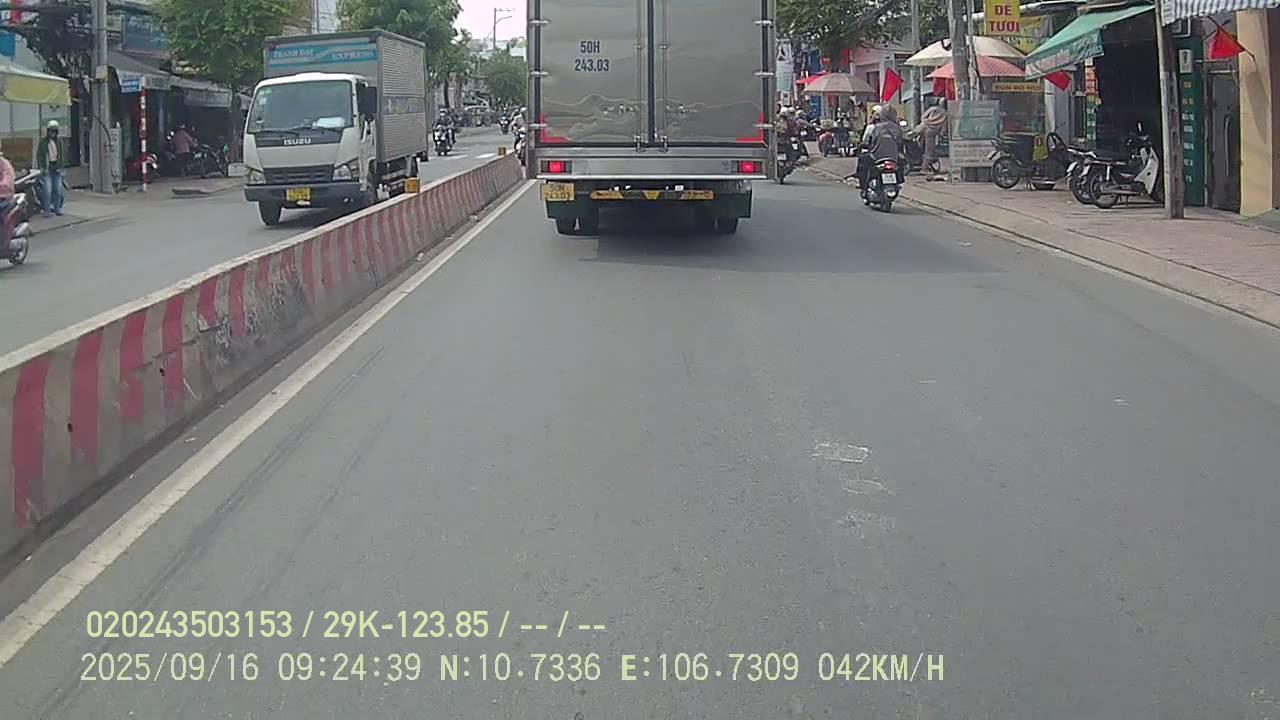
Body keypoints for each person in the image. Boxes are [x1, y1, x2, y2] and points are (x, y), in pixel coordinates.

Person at [854, 105, 903, 190]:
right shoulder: (898, 129)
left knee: (862, 160)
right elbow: (901, 142)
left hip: (876, 156)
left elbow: (870, 141)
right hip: (894, 157)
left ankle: (863, 185)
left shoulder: (877, 128)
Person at [36, 120, 66, 217]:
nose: (52, 133)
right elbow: (39, 156)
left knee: (58, 190)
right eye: (51, 131)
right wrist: (41, 167)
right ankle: (47, 210)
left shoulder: (59, 142)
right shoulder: (43, 142)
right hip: (47, 168)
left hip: (57, 168)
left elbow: (62, 155)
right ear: (48, 131)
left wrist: (61, 167)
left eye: (54, 131)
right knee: (47, 190)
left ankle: (57, 208)